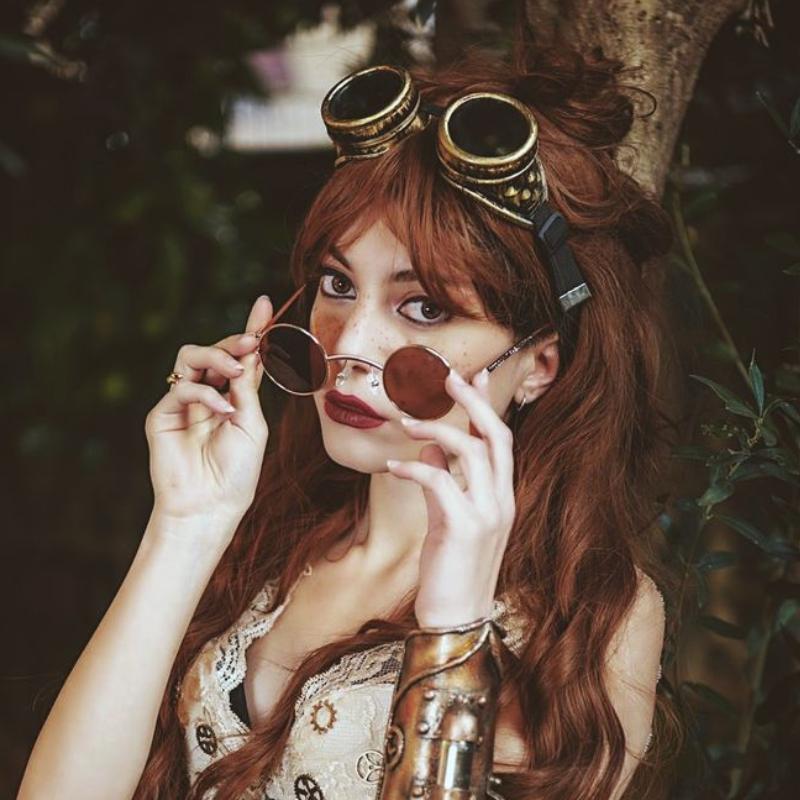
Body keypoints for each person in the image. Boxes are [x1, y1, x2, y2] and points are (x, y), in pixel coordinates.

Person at [17, 40, 682, 800]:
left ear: (539, 364)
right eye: (337, 283)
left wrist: (453, 635)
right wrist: (187, 524)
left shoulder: (592, 615)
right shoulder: (273, 536)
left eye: (424, 308)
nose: (351, 345)